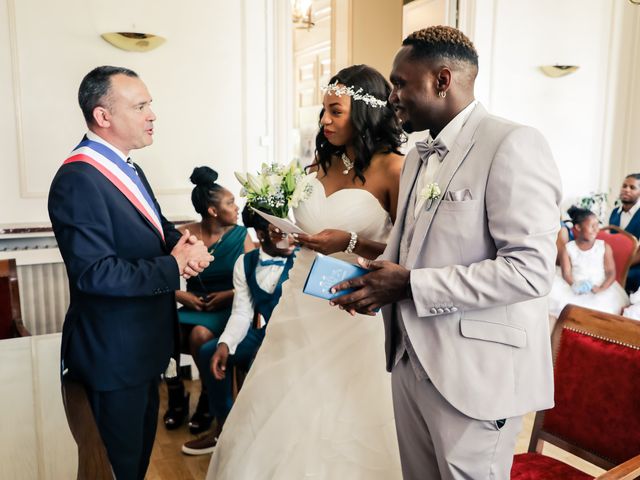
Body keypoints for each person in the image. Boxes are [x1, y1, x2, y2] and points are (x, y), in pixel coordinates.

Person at [331, 26, 561, 480]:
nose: (392, 95)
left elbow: (531, 271)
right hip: (409, 360)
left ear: (442, 79)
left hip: (477, 374)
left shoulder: (513, 143)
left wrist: (411, 285)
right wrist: (372, 282)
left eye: (400, 83)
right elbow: (413, 248)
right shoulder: (417, 153)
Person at [205, 64, 405, 479]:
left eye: (336, 111)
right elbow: (308, 228)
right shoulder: (317, 164)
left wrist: (348, 242)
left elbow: (408, 250)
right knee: (284, 401)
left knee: (345, 410)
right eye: (323, 111)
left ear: (365, 114)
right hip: (299, 298)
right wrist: (283, 228)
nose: (324, 121)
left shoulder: (394, 169)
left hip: (353, 307)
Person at [48, 66, 212, 480]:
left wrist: (185, 244)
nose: (152, 114)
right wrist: (172, 266)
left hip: (140, 350)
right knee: (115, 468)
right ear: (103, 117)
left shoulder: (129, 168)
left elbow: (157, 228)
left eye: (149, 105)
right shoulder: (78, 179)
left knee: (134, 465)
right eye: (140, 106)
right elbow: (95, 274)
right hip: (113, 357)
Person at [181, 206, 297, 455]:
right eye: (279, 231)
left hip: (297, 337)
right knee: (209, 350)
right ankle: (224, 429)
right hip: (264, 334)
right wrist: (225, 344)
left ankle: (271, 435)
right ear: (261, 234)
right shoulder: (245, 263)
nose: (290, 237)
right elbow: (243, 312)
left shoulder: (304, 259)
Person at [163, 166, 254, 434]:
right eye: (230, 203)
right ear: (213, 211)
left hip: (229, 305)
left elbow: (253, 282)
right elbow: (161, 273)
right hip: (193, 303)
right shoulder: (184, 235)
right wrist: (181, 295)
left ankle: (207, 399)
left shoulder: (241, 236)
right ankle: (176, 395)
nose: (237, 208)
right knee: (162, 328)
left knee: (200, 335)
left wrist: (229, 294)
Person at [549, 206, 628, 316]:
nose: (596, 229)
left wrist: (601, 288)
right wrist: (574, 284)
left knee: (603, 309)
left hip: (600, 286)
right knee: (561, 304)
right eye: (592, 226)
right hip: (575, 284)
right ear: (578, 227)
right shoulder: (568, 248)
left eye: (597, 225)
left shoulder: (604, 247)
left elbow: (611, 272)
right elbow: (566, 273)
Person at [609, 173, 640, 291]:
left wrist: (621, 264)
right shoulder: (614, 213)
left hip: (635, 267)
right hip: (613, 262)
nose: (626, 190)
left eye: (632, 187)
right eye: (624, 186)